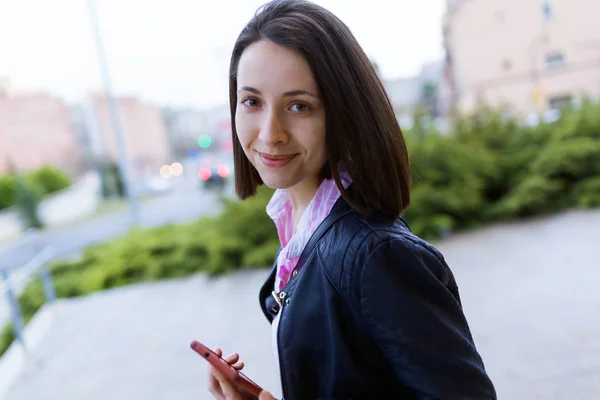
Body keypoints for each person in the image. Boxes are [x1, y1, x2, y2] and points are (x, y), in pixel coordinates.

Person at [207, 0, 497, 399]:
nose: (270, 133)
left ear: (343, 113)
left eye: (299, 106)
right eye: (252, 102)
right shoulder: (302, 228)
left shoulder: (377, 256)